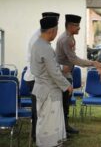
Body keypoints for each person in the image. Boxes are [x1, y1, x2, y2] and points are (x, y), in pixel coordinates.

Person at [31, 16, 73, 147]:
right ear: (51, 31)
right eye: (56, 30)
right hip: (49, 91)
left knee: (43, 120)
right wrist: (67, 86)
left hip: (41, 88)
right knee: (49, 122)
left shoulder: (37, 44)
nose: (56, 33)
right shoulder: (45, 48)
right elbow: (54, 72)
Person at [56, 14, 101, 134]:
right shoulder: (66, 39)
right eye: (77, 26)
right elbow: (74, 60)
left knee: (65, 104)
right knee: (64, 104)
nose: (79, 28)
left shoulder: (69, 37)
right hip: (63, 75)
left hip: (66, 73)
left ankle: (64, 128)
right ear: (70, 26)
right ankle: (63, 129)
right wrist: (93, 63)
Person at [24, 12, 59, 142]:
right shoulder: (38, 38)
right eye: (55, 25)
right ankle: (38, 135)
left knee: (42, 109)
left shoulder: (42, 36)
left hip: (37, 77)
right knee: (40, 110)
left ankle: (40, 134)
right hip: (35, 78)